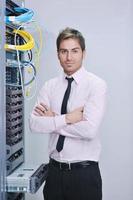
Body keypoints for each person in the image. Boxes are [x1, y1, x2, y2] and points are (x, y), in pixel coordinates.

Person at [29, 27, 107, 200]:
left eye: (74, 51)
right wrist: (68, 118)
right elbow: (34, 124)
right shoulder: (49, 87)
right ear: (58, 54)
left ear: (83, 53)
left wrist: (53, 121)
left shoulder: (96, 85)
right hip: (54, 174)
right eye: (64, 51)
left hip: (84, 175)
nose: (69, 57)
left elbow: (89, 130)